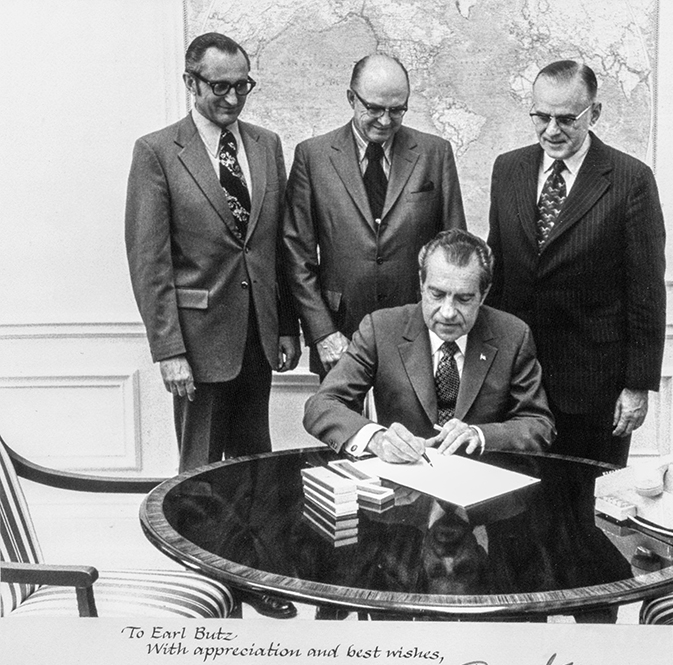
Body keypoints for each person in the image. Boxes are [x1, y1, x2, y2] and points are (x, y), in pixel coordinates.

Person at [124, 32, 299, 618]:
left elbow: (278, 247)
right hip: (197, 344)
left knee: (256, 463)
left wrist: (285, 327)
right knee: (199, 469)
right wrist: (169, 350)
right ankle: (201, 585)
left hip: (257, 334)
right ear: (190, 82)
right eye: (218, 86)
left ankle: (256, 577)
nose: (231, 98)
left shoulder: (268, 145)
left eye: (241, 86)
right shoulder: (157, 151)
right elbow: (149, 260)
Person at [486, 60, 666, 468]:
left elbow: (646, 292)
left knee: (580, 518)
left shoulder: (630, 179)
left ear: (594, 114)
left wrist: (637, 387)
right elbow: (496, 275)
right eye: (541, 116)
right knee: (510, 514)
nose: (551, 130)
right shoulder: (508, 168)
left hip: (592, 391)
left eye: (566, 119)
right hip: (514, 384)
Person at [283, 53, 467, 378]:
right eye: (374, 109)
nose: (385, 120)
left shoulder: (434, 153)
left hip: (420, 333)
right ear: (351, 98)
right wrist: (323, 333)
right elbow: (297, 257)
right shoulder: (312, 157)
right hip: (340, 336)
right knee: (345, 428)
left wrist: (444, 329)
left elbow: (455, 250)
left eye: (397, 110)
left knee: (414, 430)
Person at [304, 229, 555, 461]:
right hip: (406, 491)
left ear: (484, 294)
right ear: (421, 284)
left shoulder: (513, 334)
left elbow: (539, 424)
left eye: (464, 299)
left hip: (484, 488)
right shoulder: (381, 329)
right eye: (436, 294)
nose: (447, 312)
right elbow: (321, 406)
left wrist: (480, 435)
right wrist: (377, 440)